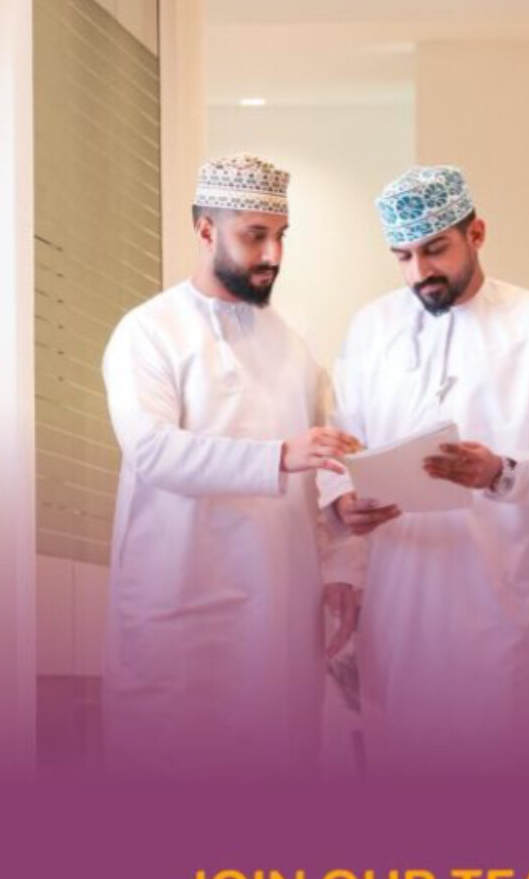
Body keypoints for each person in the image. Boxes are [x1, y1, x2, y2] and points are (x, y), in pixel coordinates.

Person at [319, 166, 529, 770]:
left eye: (435, 249)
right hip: (400, 602)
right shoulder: (371, 327)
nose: (420, 271)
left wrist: (501, 471)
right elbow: (341, 444)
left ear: (477, 234)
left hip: (503, 599)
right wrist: (342, 500)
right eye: (404, 256)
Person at [100, 154, 363, 776]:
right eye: (255, 235)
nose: (273, 254)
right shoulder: (148, 332)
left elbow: (331, 462)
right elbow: (152, 450)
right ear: (205, 230)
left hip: (279, 608)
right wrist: (280, 456)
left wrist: (343, 566)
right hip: (178, 603)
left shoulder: (293, 341)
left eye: (282, 236)